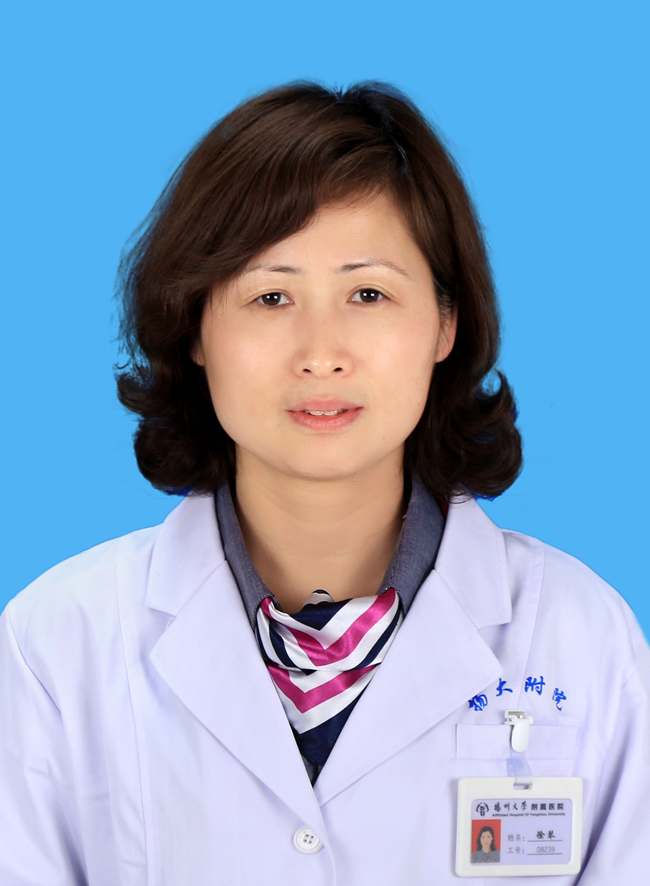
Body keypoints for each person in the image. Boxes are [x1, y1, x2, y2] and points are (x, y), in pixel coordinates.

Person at [0, 81, 649, 886]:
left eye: (368, 294)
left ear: (445, 322)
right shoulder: (54, 646)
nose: (320, 354)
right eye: (270, 296)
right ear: (196, 327)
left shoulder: (582, 637)